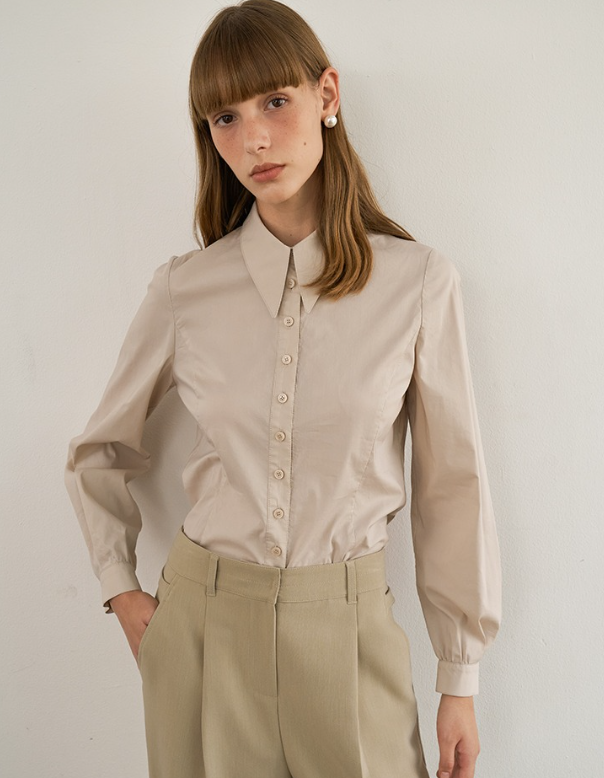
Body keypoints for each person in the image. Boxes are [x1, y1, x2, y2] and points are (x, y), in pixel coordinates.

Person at [64, 1, 502, 777]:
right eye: (224, 119)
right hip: (201, 633)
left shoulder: (417, 283)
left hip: (349, 631)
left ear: (326, 95)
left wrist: (458, 677)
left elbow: (452, 487)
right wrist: (120, 589)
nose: (254, 140)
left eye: (274, 101)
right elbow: (99, 452)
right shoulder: (184, 290)